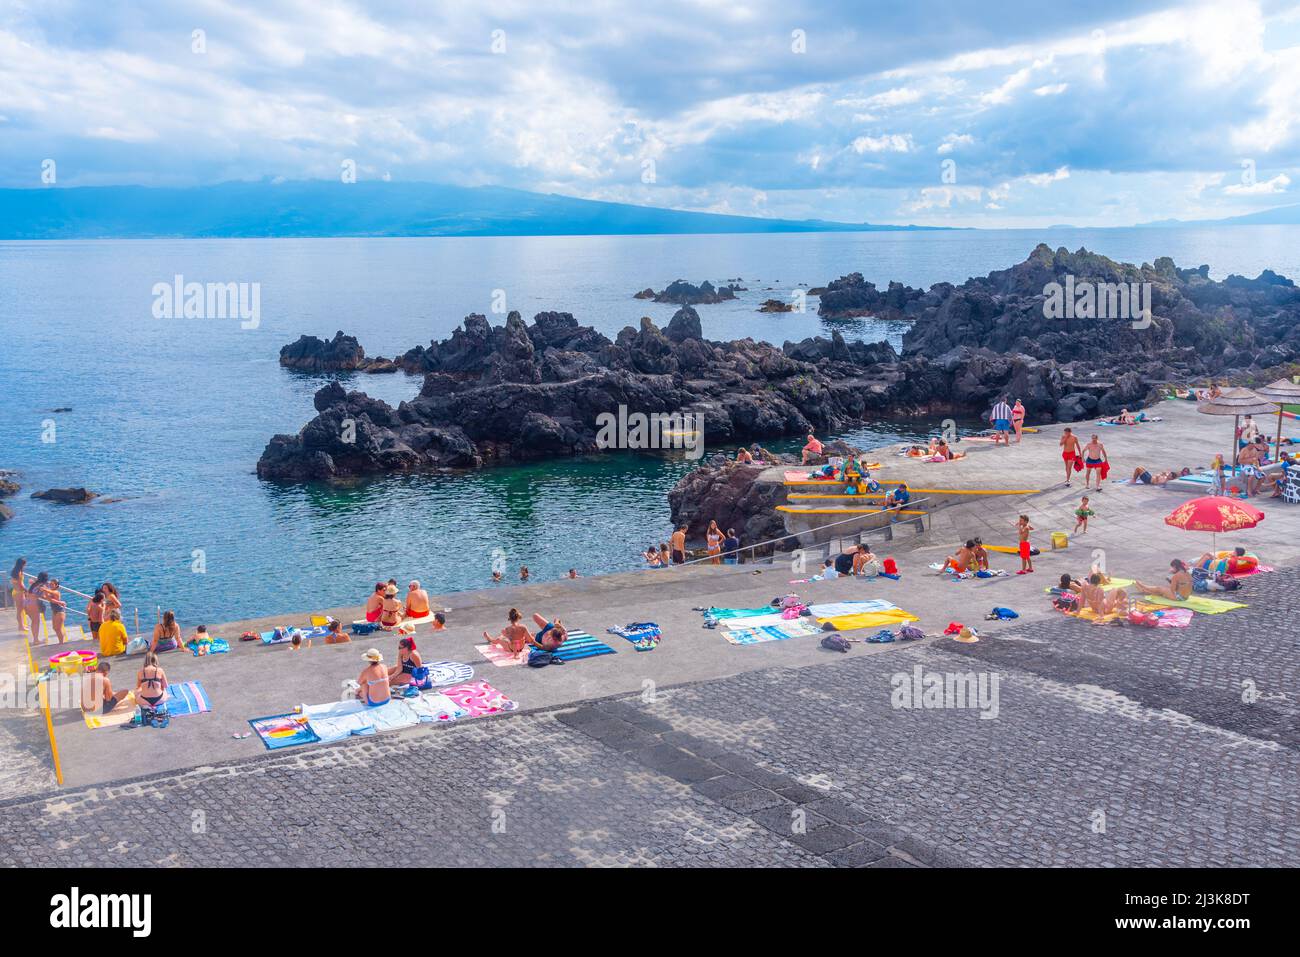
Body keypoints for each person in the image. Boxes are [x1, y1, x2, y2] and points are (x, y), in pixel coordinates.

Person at [36, 578, 68, 643]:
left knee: (58, 628)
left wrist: (44, 588)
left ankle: (61, 643)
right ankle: (61, 641)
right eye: (50, 584)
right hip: (54, 612)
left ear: (56, 585)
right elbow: (48, 599)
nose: (50, 585)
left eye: (52, 584)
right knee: (55, 628)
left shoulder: (56, 592)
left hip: (60, 611)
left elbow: (50, 593)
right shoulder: (50, 591)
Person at [25, 571, 50, 644]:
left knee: (34, 622)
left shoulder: (35, 584)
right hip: (33, 604)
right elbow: (44, 596)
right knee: (36, 622)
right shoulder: (41, 586)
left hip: (27, 602)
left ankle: (35, 639)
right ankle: (36, 640)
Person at [8, 558, 25, 632]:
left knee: (20, 610)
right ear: (22, 564)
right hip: (19, 593)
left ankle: (21, 625)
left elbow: (13, 582)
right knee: (20, 610)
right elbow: (20, 584)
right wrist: (27, 591)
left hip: (15, 591)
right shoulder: (19, 572)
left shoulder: (14, 571)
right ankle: (21, 626)